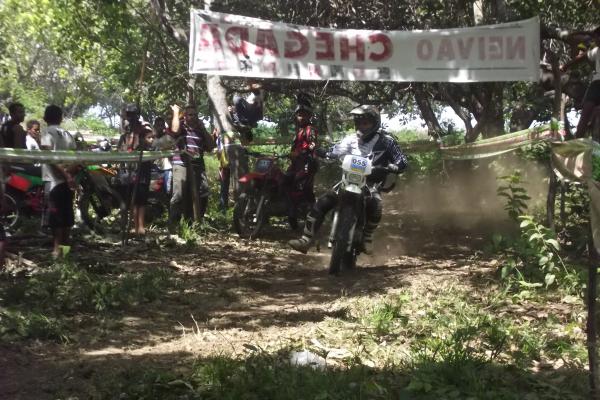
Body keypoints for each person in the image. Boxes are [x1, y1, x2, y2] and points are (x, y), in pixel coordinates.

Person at [289, 105, 408, 255]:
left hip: (371, 183)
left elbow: (402, 160)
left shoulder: (387, 141)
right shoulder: (350, 139)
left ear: (375, 122)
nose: (362, 127)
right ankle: (306, 240)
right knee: (322, 202)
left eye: (365, 123)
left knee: (376, 204)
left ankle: (367, 237)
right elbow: (335, 151)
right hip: (348, 180)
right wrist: (324, 152)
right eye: (359, 123)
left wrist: (395, 166)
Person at [168, 104, 215, 228]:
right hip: (181, 163)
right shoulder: (181, 126)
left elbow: (211, 146)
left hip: (197, 164)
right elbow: (174, 130)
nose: (193, 117)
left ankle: (195, 222)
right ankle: (174, 225)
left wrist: (204, 130)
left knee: (203, 192)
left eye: (195, 115)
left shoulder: (200, 129)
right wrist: (176, 113)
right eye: (190, 114)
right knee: (178, 195)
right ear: (185, 116)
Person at [40, 105, 76, 259]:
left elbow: (49, 157)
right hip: (66, 181)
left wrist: (64, 174)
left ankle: (57, 252)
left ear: (45, 118)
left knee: (56, 219)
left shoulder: (47, 133)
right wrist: (69, 174)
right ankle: (65, 252)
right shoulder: (67, 134)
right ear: (60, 118)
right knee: (67, 217)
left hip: (53, 180)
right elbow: (75, 157)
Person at [560, 27, 600, 138]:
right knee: (585, 114)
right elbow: (581, 58)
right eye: (596, 38)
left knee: (592, 112)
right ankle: (577, 142)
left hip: (596, 84)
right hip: (596, 84)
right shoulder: (596, 51)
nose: (597, 40)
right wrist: (566, 66)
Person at [131, 127, 154, 235]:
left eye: (152, 137)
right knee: (139, 204)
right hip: (140, 180)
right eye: (149, 138)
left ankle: (138, 227)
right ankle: (139, 227)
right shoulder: (141, 150)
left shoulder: (149, 150)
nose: (152, 140)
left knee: (139, 204)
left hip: (143, 179)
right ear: (142, 139)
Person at [152, 116, 173, 196]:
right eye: (158, 125)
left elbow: (174, 149)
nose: (159, 127)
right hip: (156, 168)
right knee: (156, 190)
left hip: (168, 168)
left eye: (161, 125)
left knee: (168, 190)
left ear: (164, 126)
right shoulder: (153, 139)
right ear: (155, 126)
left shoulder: (168, 137)